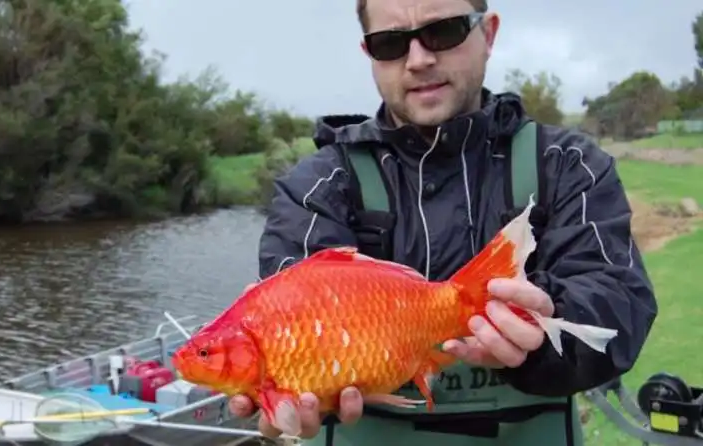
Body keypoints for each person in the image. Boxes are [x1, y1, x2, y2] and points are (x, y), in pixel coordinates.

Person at [228, 0, 658, 445]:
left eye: (444, 31)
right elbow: (290, 314)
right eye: (391, 42)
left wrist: (545, 327)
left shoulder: (567, 164)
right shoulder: (317, 184)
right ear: (368, 53)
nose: (418, 60)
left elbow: (619, 306)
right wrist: (286, 392)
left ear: (488, 34)